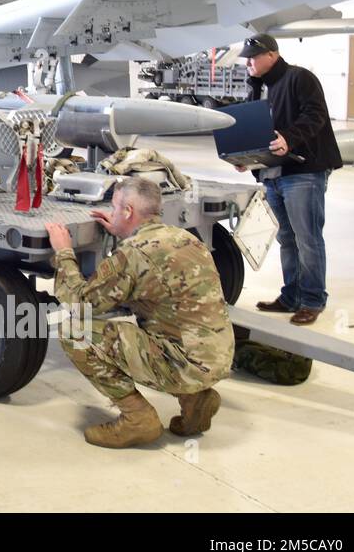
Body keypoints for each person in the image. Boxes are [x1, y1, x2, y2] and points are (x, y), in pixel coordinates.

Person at [46, 177, 234, 449]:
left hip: (186, 365)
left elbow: (80, 303)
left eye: (114, 208)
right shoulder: (184, 237)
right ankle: (195, 399)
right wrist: (124, 233)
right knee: (162, 331)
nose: (111, 214)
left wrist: (63, 251)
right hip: (218, 357)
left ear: (128, 211)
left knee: (73, 331)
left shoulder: (134, 253)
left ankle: (137, 419)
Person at [238, 33, 342, 326]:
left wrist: (290, 139)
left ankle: (312, 300)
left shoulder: (300, 78)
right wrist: (246, 158)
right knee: (286, 238)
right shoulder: (257, 89)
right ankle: (291, 296)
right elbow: (256, 130)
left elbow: (316, 115)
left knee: (307, 237)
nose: (248, 62)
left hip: (303, 171)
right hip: (272, 174)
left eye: (253, 57)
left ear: (272, 55)